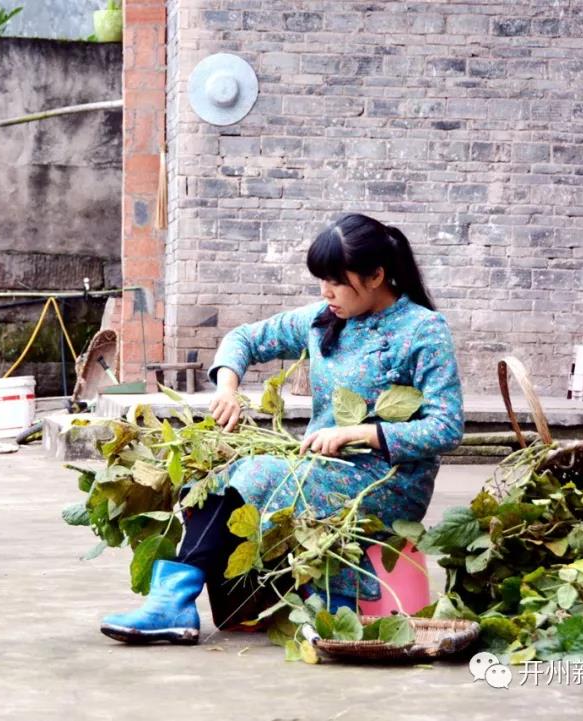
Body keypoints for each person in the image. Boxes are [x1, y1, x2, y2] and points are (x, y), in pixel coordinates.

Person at [100, 213, 465, 644]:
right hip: (319, 465)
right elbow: (244, 338)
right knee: (210, 477)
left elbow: (447, 427)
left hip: (386, 480)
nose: (325, 292)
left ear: (375, 276)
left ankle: (174, 606)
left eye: (335, 281)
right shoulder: (325, 319)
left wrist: (359, 433)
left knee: (257, 474)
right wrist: (228, 388)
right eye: (321, 281)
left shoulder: (423, 330)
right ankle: (179, 604)